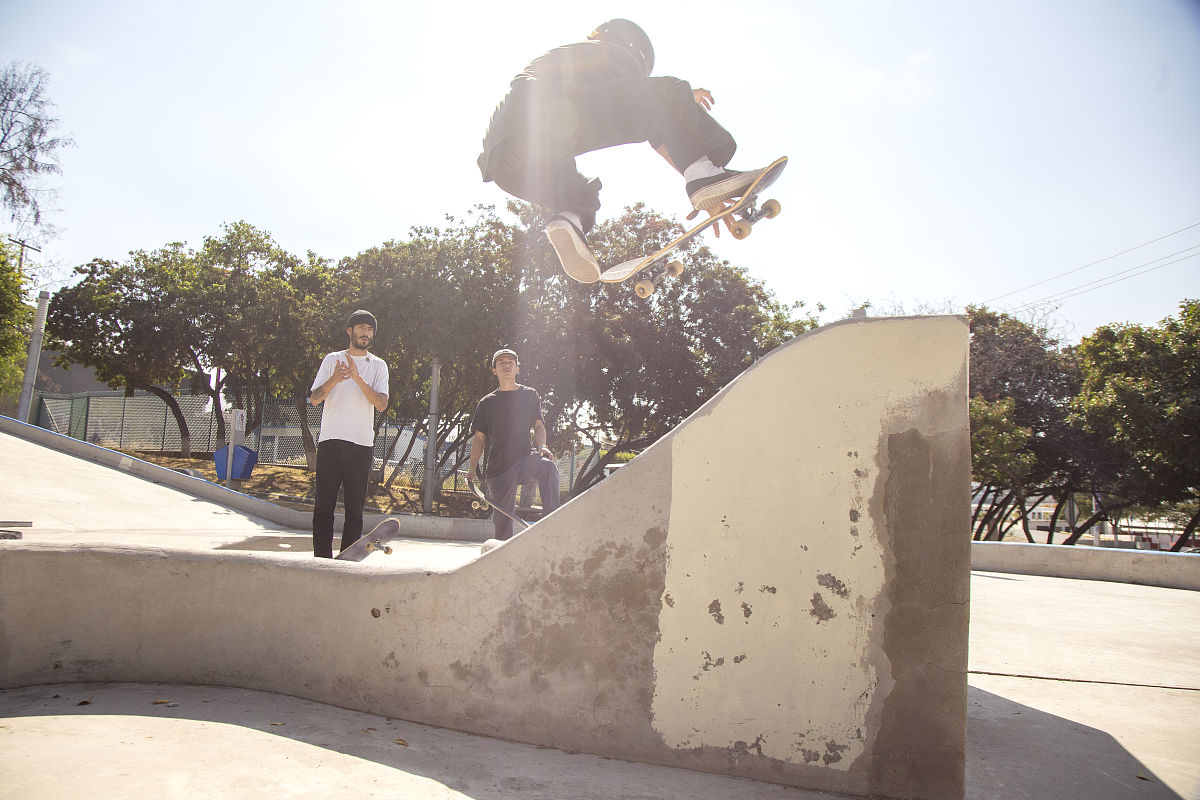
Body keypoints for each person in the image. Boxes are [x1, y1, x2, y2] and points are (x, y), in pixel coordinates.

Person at [478, 18, 766, 283]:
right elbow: (653, 112)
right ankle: (703, 173)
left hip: (505, 162)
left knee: (581, 196)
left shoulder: (563, 57)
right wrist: (681, 110)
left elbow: (644, 115)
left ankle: (569, 219)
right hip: (548, 118)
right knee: (671, 92)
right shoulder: (611, 53)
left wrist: (706, 189)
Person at [308, 310, 390, 558]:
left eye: (370, 329)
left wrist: (357, 378)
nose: (366, 333)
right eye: (361, 328)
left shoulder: (378, 365)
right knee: (324, 506)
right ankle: (321, 559)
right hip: (331, 441)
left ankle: (348, 561)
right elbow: (314, 399)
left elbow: (381, 404)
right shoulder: (332, 359)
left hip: (361, 444)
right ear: (350, 331)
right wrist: (336, 377)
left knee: (355, 509)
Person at [466, 348, 561, 540]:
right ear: (495, 370)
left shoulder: (530, 395)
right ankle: (502, 555)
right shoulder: (486, 403)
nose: (507, 365)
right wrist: (472, 468)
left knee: (547, 466)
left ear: (517, 368)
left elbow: (539, 426)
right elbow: (479, 438)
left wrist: (542, 446)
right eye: (501, 362)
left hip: (524, 461)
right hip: (499, 469)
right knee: (502, 524)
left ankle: (552, 520)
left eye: (510, 362)